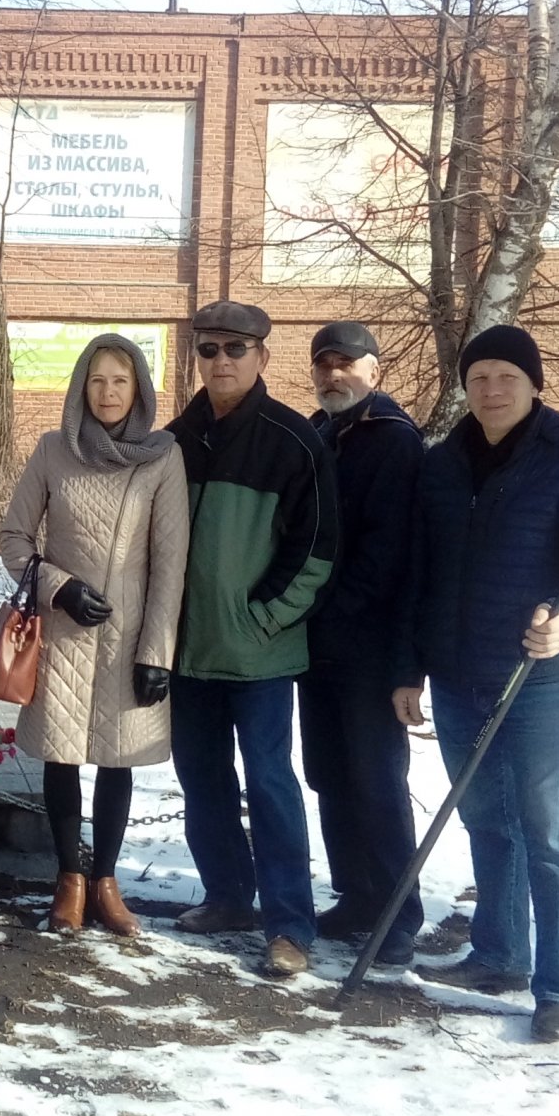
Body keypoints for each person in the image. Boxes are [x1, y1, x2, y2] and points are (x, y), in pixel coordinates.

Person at [392, 324, 559, 1044]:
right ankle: (499, 955)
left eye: (506, 376)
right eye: (480, 378)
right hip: (459, 678)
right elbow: (418, 575)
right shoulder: (441, 467)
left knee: (553, 836)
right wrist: (408, 668)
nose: (492, 390)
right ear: (465, 388)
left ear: (534, 384)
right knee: (487, 821)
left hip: (539, 683)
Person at [165, 300, 338, 979]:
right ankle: (228, 896)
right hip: (187, 652)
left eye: (236, 349)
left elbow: (318, 549)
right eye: (209, 349)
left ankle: (290, 925)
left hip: (260, 654)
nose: (222, 361)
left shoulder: (295, 441)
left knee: (269, 784)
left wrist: (265, 617)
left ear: (263, 357)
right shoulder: (173, 440)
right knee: (201, 779)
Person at [0, 335, 190, 937]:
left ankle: (105, 881)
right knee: (62, 755)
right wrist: (60, 588)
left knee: (117, 756)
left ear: (139, 389)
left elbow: (170, 564)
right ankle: (68, 879)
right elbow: (14, 538)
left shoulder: (163, 457)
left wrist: (156, 651)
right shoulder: (54, 449)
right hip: (62, 632)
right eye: (98, 381)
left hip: (129, 634)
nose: (108, 393)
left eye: (121, 381)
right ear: (82, 385)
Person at [296, 322, 425, 967]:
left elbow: (388, 556)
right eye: (324, 365)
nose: (333, 375)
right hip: (316, 644)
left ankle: (399, 913)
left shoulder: (393, 441)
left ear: (376, 368)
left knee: (376, 779)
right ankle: (355, 895)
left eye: (346, 363)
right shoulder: (322, 432)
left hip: (369, 646)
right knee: (329, 775)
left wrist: (319, 610)